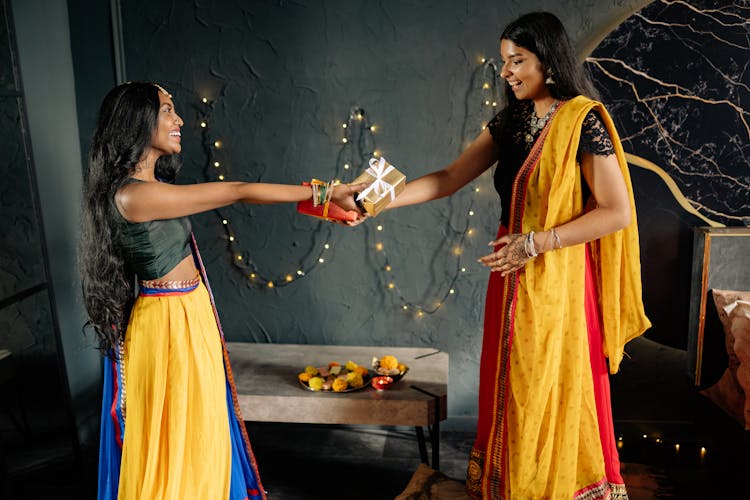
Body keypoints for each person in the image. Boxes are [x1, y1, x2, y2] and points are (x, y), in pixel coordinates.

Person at [385, 11, 651, 499]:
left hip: (560, 278)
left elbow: (616, 213)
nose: (506, 71)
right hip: (511, 275)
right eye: (504, 61)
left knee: (549, 387)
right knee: (513, 385)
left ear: (547, 60)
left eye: (517, 60)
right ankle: (515, 486)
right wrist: (380, 199)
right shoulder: (510, 121)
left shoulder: (581, 121)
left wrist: (536, 243)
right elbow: (448, 178)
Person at [78, 81, 365, 500]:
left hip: (187, 313)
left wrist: (325, 205)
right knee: (179, 437)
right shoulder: (130, 196)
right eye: (167, 110)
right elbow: (237, 191)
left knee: (203, 429)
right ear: (136, 121)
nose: (178, 120)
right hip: (167, 327)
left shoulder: (148, 189)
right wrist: (328, 193)